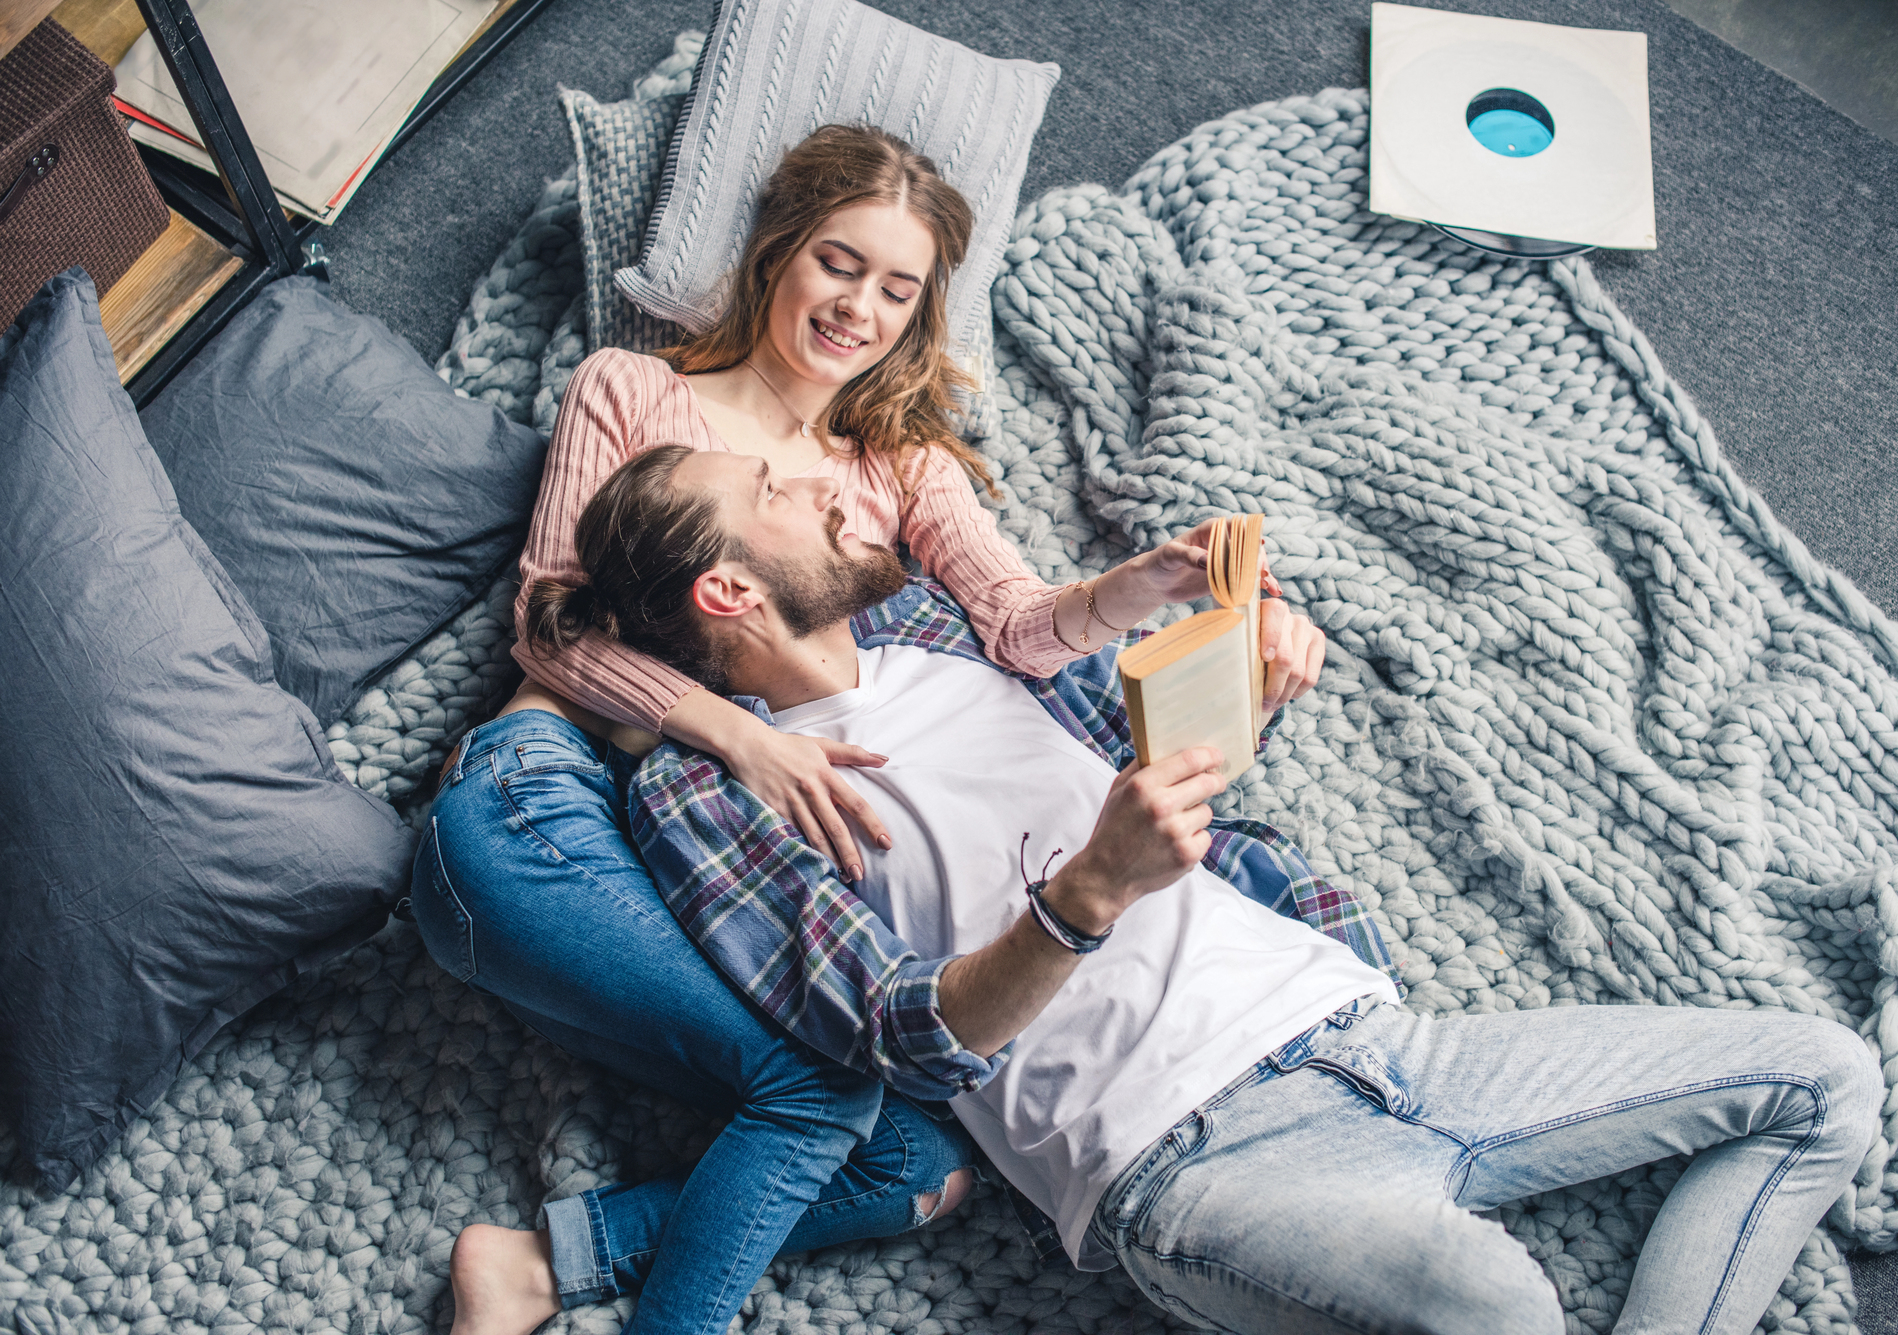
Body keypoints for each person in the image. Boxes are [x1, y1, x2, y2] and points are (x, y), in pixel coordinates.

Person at [524, 441, 1883, 1335]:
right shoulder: (703, 794)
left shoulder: (931, 625)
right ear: (727, 588)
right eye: (779, 495)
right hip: (1185, 1152)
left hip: (1373, 1035)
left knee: (1825, 1075)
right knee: (1505, 1308)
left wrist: (1243, 675)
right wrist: (1081, 899)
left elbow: (1143, 767)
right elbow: (895, 1030)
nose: (826, 486)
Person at [418, 124, 1321, 1335]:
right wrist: (740, 738)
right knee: (821, 1086)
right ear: (776, 254)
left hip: (721, 851)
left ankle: (539, 1265)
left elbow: (1014, 621)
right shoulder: (636, 392)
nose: (860, 307)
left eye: (897, 288)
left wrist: (1143, 585)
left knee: (922, 1155)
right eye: (839, 264)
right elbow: (548, 626)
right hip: (555, 794)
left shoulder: (888, 464)